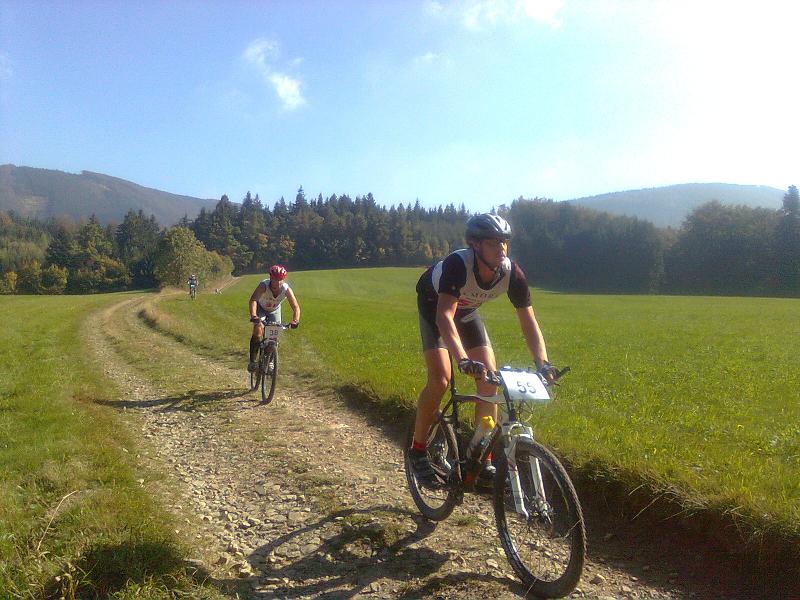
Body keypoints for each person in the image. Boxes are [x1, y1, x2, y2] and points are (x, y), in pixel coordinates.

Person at [409, 213, 556, 488]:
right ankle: (417, 450)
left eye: (504, 242)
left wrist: (543, 363)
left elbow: (529, 321)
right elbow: (444, 317)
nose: (501, 248)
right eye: (493, 243)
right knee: (440, 378)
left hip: (466, 311)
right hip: (435, 306)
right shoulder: (457, 265)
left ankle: (483, 458)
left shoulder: (512, 273)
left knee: (489, 380)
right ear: (475, 245)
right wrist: (462, 359)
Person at [247, 264, 300, 372]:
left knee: (274, 336)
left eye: (280, 280)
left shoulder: (286, 289)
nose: (277, 282)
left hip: (274, 310)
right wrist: (254, 315)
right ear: (270, 277)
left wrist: (295, 320)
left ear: (283, 279)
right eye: (275, 279)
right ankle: (253, 361)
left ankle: (269, 362)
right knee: (258, 329)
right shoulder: (263, 285)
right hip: (261, 308)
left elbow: (296, 307)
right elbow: (253, 300)